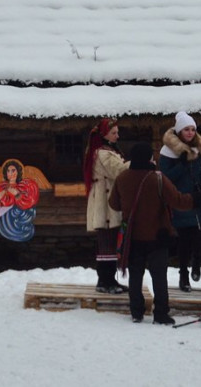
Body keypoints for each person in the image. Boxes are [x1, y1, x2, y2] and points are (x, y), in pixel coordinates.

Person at [109, 142, 201, 324]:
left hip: (133, 236)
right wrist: (199, 197)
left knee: (135, 275)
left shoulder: (122, 178)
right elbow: (178, 201)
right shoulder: (158, 179)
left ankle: (136, 312)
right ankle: (160, 313)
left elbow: (114, 204)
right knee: (159, 276)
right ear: (148, 158)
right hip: (158, 236)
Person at [159, 111, 201, 292]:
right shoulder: (168, 153)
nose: (190, 133)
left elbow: (200, 174)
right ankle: (184, 275)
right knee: (184, 241)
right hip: (180, 200)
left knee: (199, 238)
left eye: (192, 129)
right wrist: (182, 164)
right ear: (179, 131)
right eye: (186, 129)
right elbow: (165, 178)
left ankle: (197, 262)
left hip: (198, 200)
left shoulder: (196, 150)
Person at [83, 118, 129, 294]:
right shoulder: (103, 154)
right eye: (114, 133)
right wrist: (139, 163)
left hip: (107, 200)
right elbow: (119, 171)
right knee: (107, 243)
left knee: (109, 241)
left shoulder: (106, 151)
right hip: (105, 202)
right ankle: (105, 281)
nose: (117, 136)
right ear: (105, 135)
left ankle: (109, 280)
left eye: (117, 132)